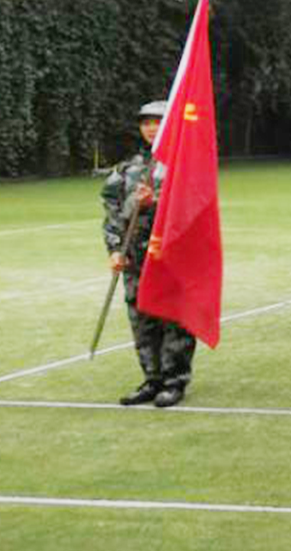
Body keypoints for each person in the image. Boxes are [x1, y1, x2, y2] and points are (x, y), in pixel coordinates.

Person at [100, 100, 196, 408]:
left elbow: (194, 210)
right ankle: (151, 378)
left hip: (171, 258)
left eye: (158, 122)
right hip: (135, 259)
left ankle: (174, 380)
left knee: (174, 319)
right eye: (146, 123)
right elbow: (112, 214)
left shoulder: (185, 166)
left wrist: (156, 202)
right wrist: (115, 249)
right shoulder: (126, 170)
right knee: (142, 319)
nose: (152, 128)